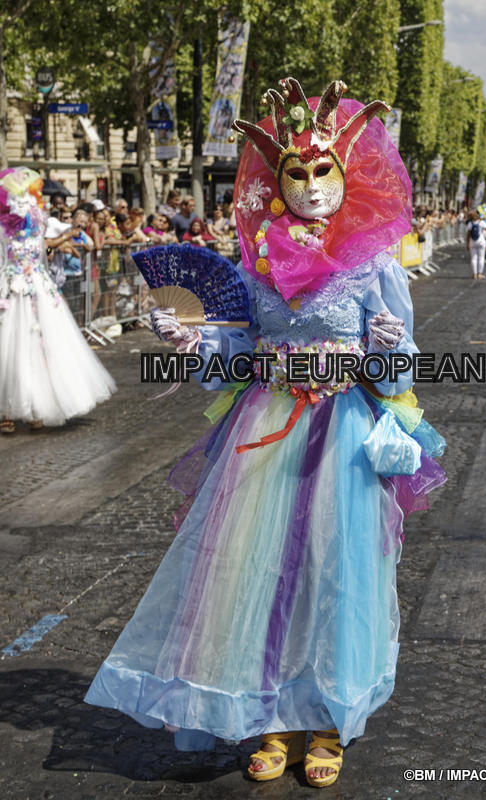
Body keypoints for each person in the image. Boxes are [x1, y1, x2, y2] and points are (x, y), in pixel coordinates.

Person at [85, 78, 446, 787]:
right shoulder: (259, 262)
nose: (310, 186)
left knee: (334, 573)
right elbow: (242, 347)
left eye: (322, 171)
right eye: (296, 173)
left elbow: (398, 369)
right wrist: (194, 341)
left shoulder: (374, 264)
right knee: (257, 573)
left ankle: (328, 722)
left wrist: (387, 346)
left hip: (342, 434)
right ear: (276, 181)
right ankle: (271, 716)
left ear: (346, 175)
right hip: (266, 426)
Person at [0, 167, 116, 433]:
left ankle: (33, 406)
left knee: (39, 346)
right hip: (13, 289)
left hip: (37, 289)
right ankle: (8, 409)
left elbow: (43, 247)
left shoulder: (37, 219)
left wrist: (59, 243)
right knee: (12, 348)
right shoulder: (5, 225)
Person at [466, 209, 486, 279]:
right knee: (481, 257)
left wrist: (467, 243)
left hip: (472, 242)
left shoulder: (470, 223)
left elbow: (468, 234)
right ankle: (480, 274)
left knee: (473, 258)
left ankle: (474, 274)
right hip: (481, 241)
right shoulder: (482, 222)